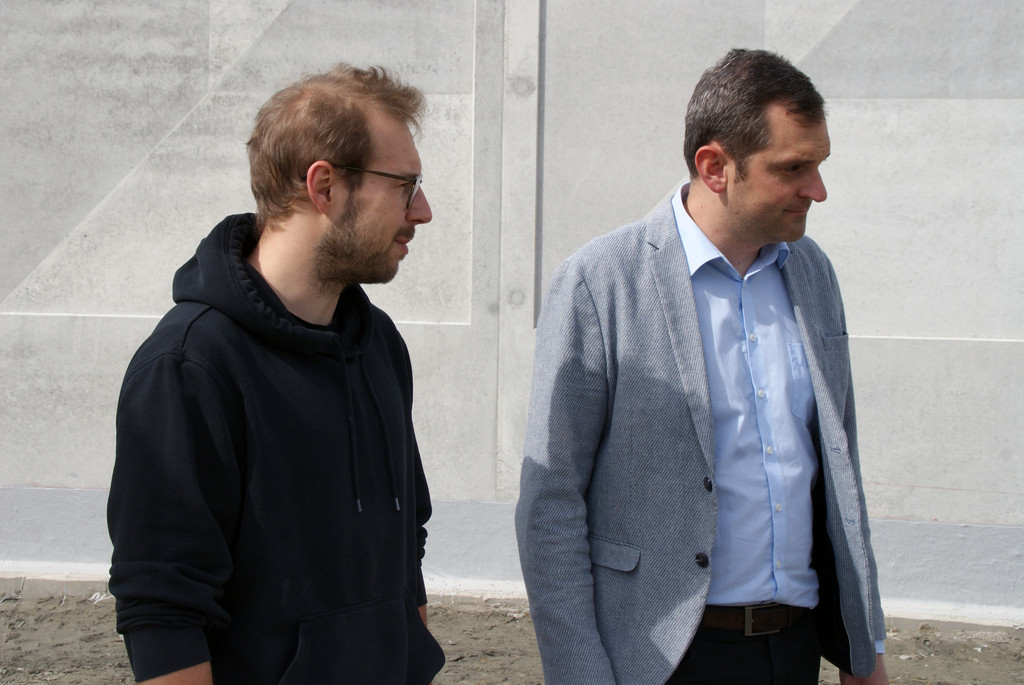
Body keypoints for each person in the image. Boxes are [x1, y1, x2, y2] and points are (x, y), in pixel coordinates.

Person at [515, 49, 889, 685]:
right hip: (661, 660)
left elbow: (839, 471)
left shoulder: (812, 272)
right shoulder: (601, 282)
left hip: (795, 651)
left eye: (819, 165)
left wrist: (864, 643)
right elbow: (551, 503)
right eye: (793, 168)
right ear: (715, 167)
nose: (818, 190)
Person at [107, 64, 444, 684]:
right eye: (405, 185)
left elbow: (404, 543)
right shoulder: (190, 367)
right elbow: (163, 605)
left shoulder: (378, 345)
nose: (421, 211)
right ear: (325, 187)